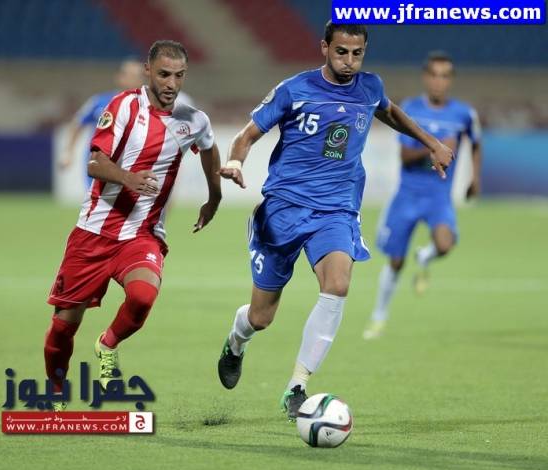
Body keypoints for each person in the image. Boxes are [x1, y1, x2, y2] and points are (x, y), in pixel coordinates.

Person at [216, 22, 454, 421]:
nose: (349, 61)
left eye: (357, 54)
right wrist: (235, 162)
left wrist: (431, 143)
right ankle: (236, 342)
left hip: (336, 210)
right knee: (261, 317)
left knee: (338, 284)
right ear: (325, 48)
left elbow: (390, 112)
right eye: (341, 52)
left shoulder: (370, 87)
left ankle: (297, 386)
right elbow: (247, 135)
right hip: (284, 209)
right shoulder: (295, 89)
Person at [44, 40, 221, 411]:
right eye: (164, 74)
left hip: (141, 234)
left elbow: (209, 148)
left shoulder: (192, 119)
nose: (172, 83)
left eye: (179, 75)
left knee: (142, 297)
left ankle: (107, 343)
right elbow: (95, 163)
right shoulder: (122, 106)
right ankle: (56, 393)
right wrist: (128, 178)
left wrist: (214, 196)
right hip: (94, 232)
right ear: (148, 71)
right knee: (63, 326)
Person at [363, 51, 482, 341]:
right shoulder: (410, 108)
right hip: (407, 195)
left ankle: (425, 255)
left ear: (450, 80)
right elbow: (404, 156)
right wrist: (436, 147)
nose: (439, 81)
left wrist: (474, 179)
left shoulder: (464, 114)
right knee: (395, 262)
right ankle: (379, 316)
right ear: (426, 77)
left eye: (445, 76)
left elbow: (477, 143)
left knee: (445, 244)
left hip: (439, 196)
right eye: (434, 75)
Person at [59, 59, 195, 189]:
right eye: (130, 75)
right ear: (120, 77)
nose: (135, 80)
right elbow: (77, 124)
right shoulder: (99, 102)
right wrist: (68, 152)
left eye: (138, 76)